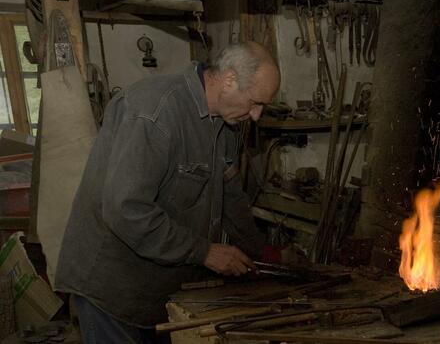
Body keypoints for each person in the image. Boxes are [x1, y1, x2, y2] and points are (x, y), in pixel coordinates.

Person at [54, 42, 281, 343]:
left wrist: (261, 251)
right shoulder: (153, 112)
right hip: (112, 289)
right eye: (255, 103)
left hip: (160, 287)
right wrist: (205, 252)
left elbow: (230, 195)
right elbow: (127, 210)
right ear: (229, 80)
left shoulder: (225, 124)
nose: (256, 115)